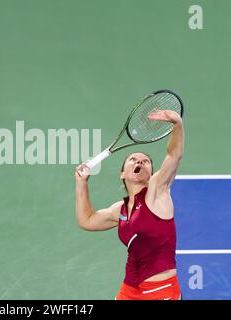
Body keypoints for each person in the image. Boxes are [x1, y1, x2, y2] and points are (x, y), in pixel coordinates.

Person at [74, 109, 184, 300]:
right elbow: (87, 220)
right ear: (122, 174)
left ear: (151, 174)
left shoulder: (157, 192)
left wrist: (177, 125)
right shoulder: (120, 210)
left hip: (161, 290)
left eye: (146, 161)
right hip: (130, 289)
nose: (140, 161)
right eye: (133, 159)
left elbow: (173, 156)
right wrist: (81, 183)